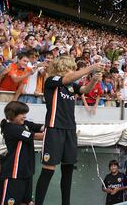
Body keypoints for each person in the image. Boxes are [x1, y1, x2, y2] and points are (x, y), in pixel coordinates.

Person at [34, 56, 104, 205]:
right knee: (48, 170)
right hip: (54, 128)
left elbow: (85, 89)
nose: (73, 69)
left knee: (68, 170)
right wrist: (90, 68)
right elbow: (67, 78)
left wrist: (93, 80)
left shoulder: (71, 86)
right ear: (63, 67)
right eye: (71, 67)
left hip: (70, 130)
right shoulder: (51, 80)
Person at [0, 101, 44, 205]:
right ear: (12, 114)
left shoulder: (24, 124)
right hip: (15, 172)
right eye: (22, 114)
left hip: (27, 171)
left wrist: (53, 127)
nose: (24, 117)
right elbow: (36, 136)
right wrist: (58, 133)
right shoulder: (11, 128)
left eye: (25, 114)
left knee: (27, 201)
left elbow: (40, 127)